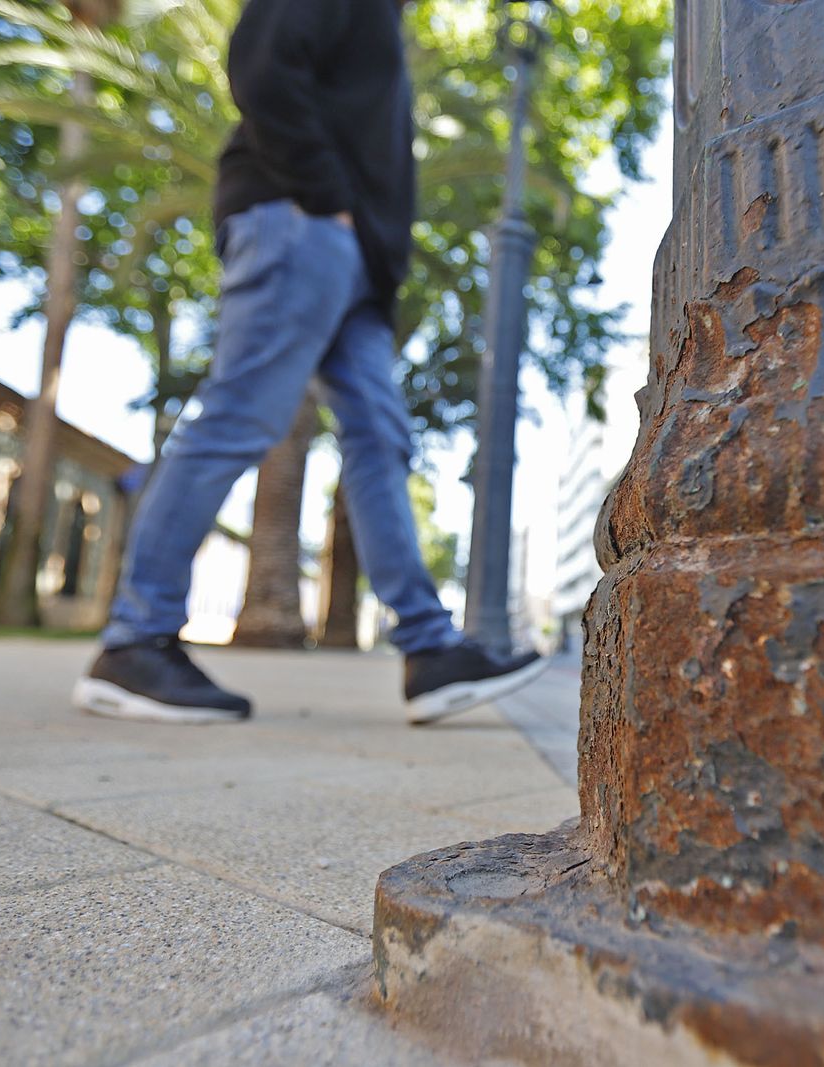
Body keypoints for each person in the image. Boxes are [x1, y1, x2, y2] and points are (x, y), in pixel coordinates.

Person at [72, 0, 545, 726]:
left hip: (354, 263)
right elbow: (261, 67)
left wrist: (373, 258)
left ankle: (430, 650)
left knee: (380, 439)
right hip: (299, 221)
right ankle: (134, 642)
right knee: (239, 416)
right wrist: (328, 201)